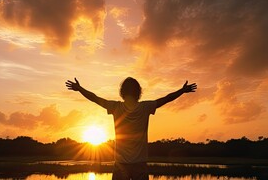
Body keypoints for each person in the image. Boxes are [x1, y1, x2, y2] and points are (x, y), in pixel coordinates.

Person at [65, 77, 197, 180]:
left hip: (120, 164)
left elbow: (94, 98)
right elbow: (167, 98)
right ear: (138, 92)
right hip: (140, 165)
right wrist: (182, 90)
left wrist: (80, 88)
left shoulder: (115, 107)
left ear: (122, 92)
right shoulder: (145, 107)